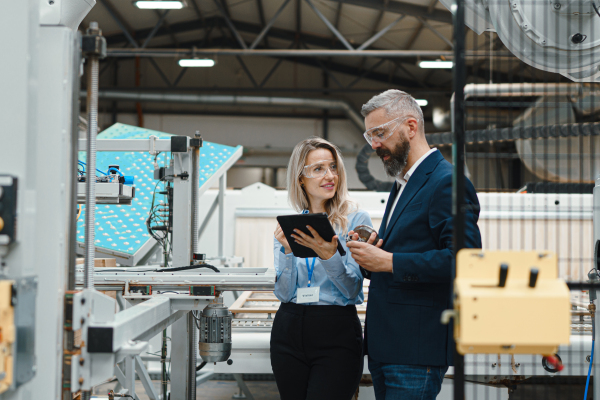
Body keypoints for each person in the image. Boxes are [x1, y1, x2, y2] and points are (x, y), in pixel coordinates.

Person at [346, 90, 482, 400]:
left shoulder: (446, 181)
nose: (375, 144)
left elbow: (465, 260)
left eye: (380, 133)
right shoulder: (405, 183)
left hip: (415, 350)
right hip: (389, 345)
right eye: (370, 137)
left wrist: (389, 261)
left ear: (411, 127)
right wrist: (371, 254)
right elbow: (406, 250)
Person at [270, 137, 371, 400]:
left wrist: (329, 257)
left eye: (333, 167)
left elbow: (351, 292)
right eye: (318, 169)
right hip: (288, 328)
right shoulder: (288, 227)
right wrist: (288, 253)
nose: (330, 176)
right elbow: (282, 294)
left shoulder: (355, 221)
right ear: (300, 179)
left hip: (336, 331)